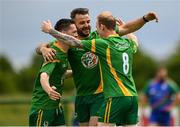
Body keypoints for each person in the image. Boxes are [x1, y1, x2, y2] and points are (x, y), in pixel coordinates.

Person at [37, 8, 159, 126]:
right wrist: (43, 49)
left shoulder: (99, 37)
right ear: (74, 25)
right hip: (82, 96)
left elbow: (126, 28)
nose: (87, 25)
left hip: (101, 94)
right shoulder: (66, 42)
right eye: (82, 23)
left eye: (88, 21)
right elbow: (42, 47)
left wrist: (145, 19)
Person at [29, 18, 78, 126]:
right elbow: (44, 75)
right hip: (43, 106)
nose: (76, 35)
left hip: (56, 106)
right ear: (63, 33)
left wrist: (78, 71)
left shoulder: (64, 50)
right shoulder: (54, 52)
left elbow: (61, 74)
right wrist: (49, 90)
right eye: (74, 32)